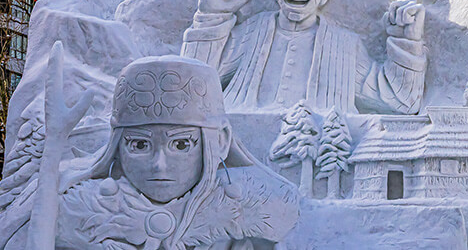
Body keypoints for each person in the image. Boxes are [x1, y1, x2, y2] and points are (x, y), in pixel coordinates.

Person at [2, 49, 299, 249]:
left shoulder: (250, 211)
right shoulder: (77, 209)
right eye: (140, 145)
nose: (159, 164)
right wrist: (53, 147)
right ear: (117, 146)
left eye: (181, 144)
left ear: (219, 142)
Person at [181, 0, 427, 114]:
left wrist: (406, 41)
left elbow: (399, 101)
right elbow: (191, 89)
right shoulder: (251, 34)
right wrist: (212, 14)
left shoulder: (343, 46)